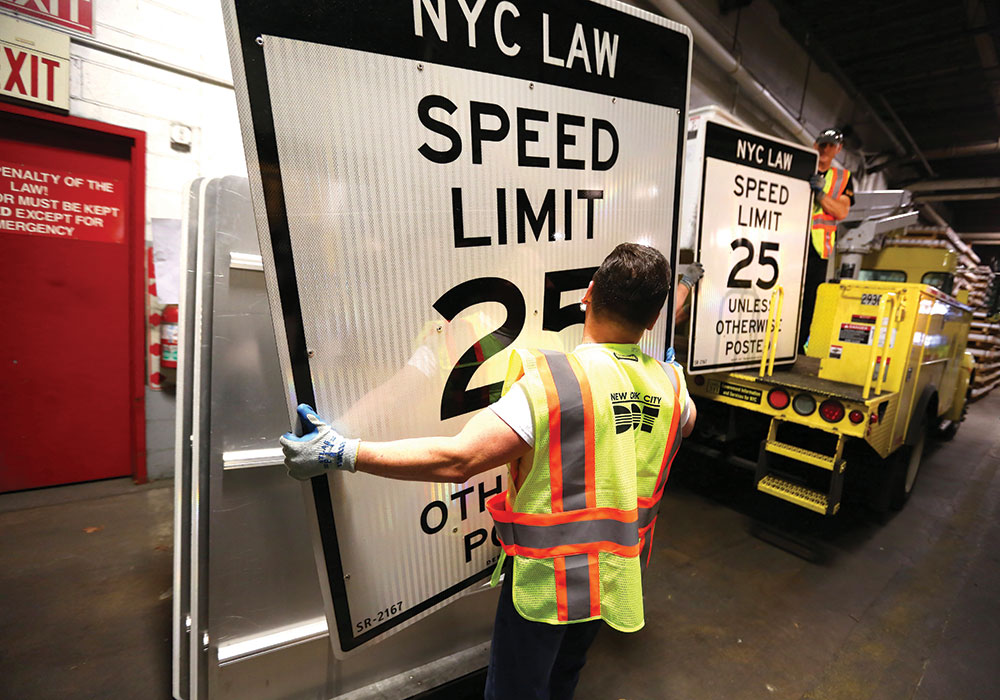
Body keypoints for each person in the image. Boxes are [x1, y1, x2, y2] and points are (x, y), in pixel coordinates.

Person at [280, 243, 696, 700]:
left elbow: (459, 459)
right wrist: (683, 294)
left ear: (588, 294)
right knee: (565, 677)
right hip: (615, 575)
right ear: (654, 319)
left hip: (547, 587)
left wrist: (345, 451)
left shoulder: (555, 383)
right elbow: (674, 404)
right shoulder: (675, 390)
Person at [800, 128, 855, 351]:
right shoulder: (801, 167)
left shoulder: (843, 179)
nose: (826, 149)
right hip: (793, 242)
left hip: (818, 247)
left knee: (810, 301)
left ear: (838, 149)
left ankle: (796, 345)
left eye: (831, 145)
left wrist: (821, 195)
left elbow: (842, 212)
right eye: (823, 144)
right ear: (815, 145)